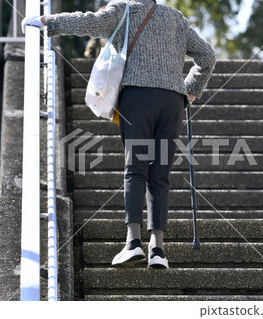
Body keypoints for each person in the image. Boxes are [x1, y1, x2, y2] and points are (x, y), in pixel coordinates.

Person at [22, 0, 216, 269]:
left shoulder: (124, 10)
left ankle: (133, 243)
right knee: (160, 175)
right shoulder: (177, 19)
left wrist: (48, 23)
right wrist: (190, 90)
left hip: (137, 98)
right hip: (172, 101)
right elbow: (207, 56)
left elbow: (88, 21)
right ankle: (158, 250)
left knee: (135, 169)